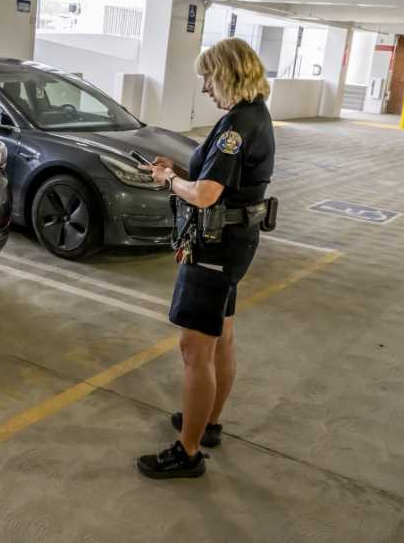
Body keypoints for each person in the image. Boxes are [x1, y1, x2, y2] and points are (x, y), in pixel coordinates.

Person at [136, 38, 275, 479]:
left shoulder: (238, 125)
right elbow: (216, 179)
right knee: (222, 338)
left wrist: (166, 180)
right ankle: (208, 422)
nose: (204, 88)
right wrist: (178, 171)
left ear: (228, 74)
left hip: (216, 246)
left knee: (194, 349)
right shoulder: (252, 116)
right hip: (234, 242)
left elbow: (206, 194)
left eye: (207, 78)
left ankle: (188, 451)